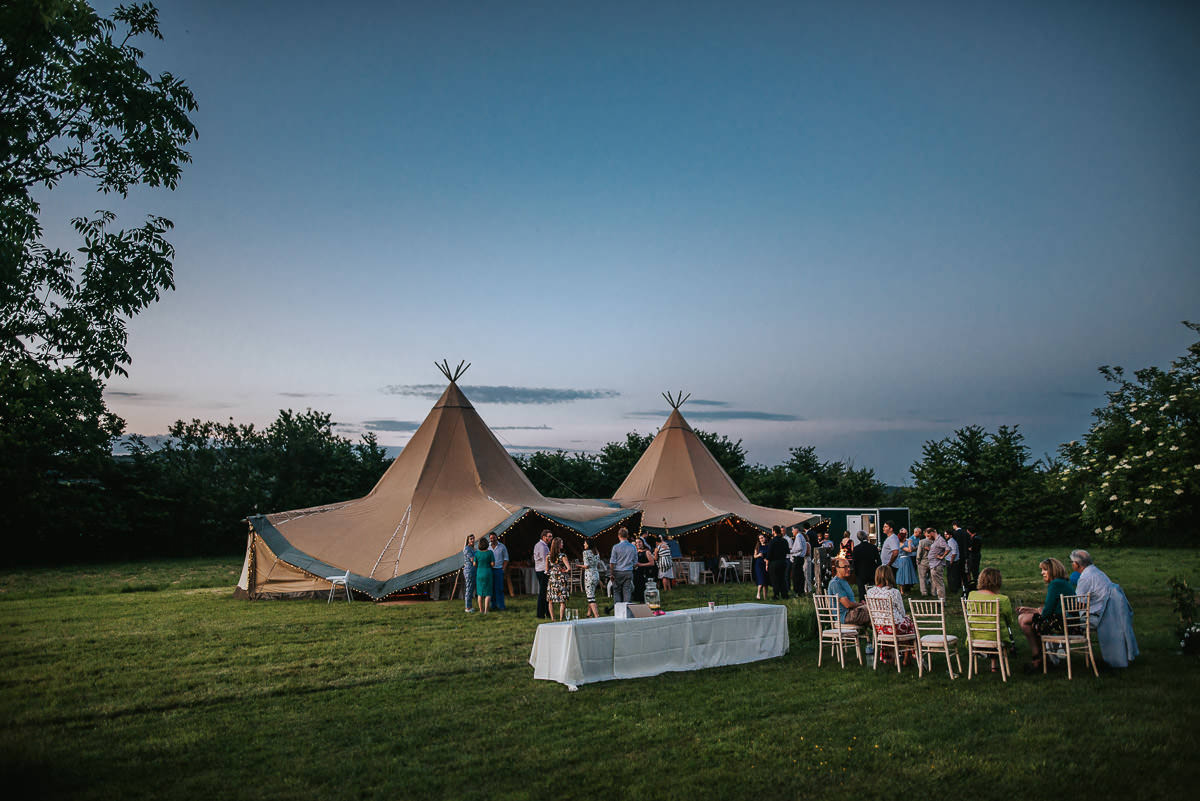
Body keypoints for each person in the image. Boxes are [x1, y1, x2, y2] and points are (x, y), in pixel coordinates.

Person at [1071, 549, 1139, 669]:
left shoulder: (1085, 578)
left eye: (1072, 562)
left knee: (1065, 619)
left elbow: (1079, 604)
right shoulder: (1099, 573)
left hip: (1098, 617)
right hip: (1110, 613)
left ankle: (1059, 651)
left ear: (1076, 564)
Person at [1016, 557, 1073, 672]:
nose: (1042, 573)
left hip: (1060, 623)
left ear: (1053, 570)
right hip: (1067, 620)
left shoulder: (1055, 584)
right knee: (1025, 618)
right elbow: (1049, 608)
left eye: (1044, 570)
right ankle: (1041, 656)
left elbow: (1046, 613)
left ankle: (1038, 657)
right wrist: (1031, 609)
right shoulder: (1063, 583)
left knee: (1023, 619)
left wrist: (1033, 611)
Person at [966, 567, 1015, 672]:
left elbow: (969, 612)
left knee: (989, 628)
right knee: (996, 630)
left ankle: (993, 665)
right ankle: (995, 664)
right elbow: (1009, 621)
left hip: (975, 636)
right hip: (995, 637)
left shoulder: (971, 595)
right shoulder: (1003, 599)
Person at [866, 566, 916, 664]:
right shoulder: (894, 592)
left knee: (905, 624)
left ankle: (889, 656)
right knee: (910, 625)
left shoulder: (870, 592)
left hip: (879, 628)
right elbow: (902, 612)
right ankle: (907, 657)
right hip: (893, 627)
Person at [828, 557, 869, 629]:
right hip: (844, 616)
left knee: (874, 610)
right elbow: (847, 604)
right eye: (845, 567)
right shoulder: (835, 583)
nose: (849, 569)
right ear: (837, 568)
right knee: (872, 612)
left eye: (849, 566)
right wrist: (861, 604)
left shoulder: (844, 581)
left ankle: (881, 636)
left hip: (851, 613)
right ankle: (884, 635)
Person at [608, 528, 636, 604]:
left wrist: (611, 573)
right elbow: (635, 562)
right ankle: (626, 610)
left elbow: (612, 562)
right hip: (628, 571)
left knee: (616, 591)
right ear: (627, 536)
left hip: (617, 572)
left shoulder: (615, 547)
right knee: (627, 590)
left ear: (618, 536)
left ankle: (618, 610)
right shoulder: (633, 547)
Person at [851, 531, 880, 602]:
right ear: (866, 537)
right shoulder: (873, 547)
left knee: (862, 592)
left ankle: (863, 603)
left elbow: (854, 562)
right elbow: (879, 561)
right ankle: (874, 602)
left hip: (861, 572)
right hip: (872, 572)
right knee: (873, 590)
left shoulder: (856, 549)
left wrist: (855, 572)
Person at [545, 537, 570, 620]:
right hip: (561, 578)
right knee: (562, 600)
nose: (563, 544)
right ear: (558, 545)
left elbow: (546, 570)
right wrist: (565, 570)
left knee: (550, 600)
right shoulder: (563, 556)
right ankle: (560, 618)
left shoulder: (548, 556)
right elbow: (568, 568)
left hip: (552, 579)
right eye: (561, 543)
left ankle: (553, 618)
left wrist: (552, 571)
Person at [926, 528, 951, 601]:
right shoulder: (936, 540)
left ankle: (942, 601)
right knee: (937, 584)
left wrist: (942, 556)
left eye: (928, 535)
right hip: (934, 565)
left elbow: (948, 548)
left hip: (937, 565)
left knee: (939, 584)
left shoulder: (940, 539)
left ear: (931, 533)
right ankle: (940, 600)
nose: (928, 537)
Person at [767, 526, 790, 599]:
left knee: (775, 579)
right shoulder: (784, 541)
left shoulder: (772, 541)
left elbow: (769, 553)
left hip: (774, 562)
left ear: (774, 531)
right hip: (783, 561)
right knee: (782, 578)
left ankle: (776, 594)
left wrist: (767, 561)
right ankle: (784, 594)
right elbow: (787, 551)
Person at [533, 529, 552, 619]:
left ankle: (546, 612)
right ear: (544, 537)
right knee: (543, 593)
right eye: (549, 536)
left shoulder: (538, 545)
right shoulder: (543, 547)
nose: (551, 538)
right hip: (543, 571)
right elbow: (546, 561)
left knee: (544, 592)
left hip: (539, 570)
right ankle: (541, 614)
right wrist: (549, 571)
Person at [582, 539, 603, 618]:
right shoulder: (596, 553)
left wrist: (579, 566)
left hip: (589, 576)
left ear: (588, 544)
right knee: (592, 594)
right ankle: (589, 613)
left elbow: (586, 566)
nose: (584, 544)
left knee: (590, 597)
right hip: (596, 575)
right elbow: (598, 565)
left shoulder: (585, 553)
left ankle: (597, 616)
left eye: (585, 543)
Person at [894, 527, 919, 593]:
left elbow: (913, 549)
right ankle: (902, 590)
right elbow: (910, 550)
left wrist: (911, 545)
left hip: (907, 559)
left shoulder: (906, 541)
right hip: (903, 559)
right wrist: (909, 543)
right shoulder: (900, 543)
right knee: (902, 574)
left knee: (907, 574)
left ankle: (907, 588)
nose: (906, 537)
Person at [633, 536, 657, 603]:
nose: (638, 544)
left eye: (639, 542)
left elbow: (652, 563)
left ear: (643, 543)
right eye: (636, 543)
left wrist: (641, 564)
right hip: (637, 573)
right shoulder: (636, 552)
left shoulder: (647, 552)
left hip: (645, 572)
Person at [474, 536, 494, 614]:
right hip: (488, 572)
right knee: (488, 593)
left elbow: (474, 564)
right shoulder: (490, 553)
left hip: (479, 573)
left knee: (480, 593)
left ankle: (481, 610)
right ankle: (486, 610)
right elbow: (493, 564)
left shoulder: (477, 553)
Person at [947, 521, 969, 594]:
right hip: (964, 554)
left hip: (956, 554)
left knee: (956, 571)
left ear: (954, 525)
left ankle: (957, 585)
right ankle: (966, 584)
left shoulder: (955, 534)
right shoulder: (965, 532)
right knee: (964, 571)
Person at [489, 532, 508, 611]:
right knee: (491, 588)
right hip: (490, 570)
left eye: (494, 538)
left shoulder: (502, 546)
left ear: (497, 537)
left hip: (499, 569)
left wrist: (503, 569)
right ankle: (493, 605)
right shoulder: (487, 547)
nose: (492, 539)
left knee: (499, 588)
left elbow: (506, 559)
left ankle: (501, 606)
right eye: (491, 538)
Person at [789, 524, 808, 595]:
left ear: (796, 529)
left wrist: (791, 551)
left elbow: (799, 547)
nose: (792, 531)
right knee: (800, 575)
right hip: (800, 558)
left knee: (796, 575)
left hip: (798, 558)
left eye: (792, 530)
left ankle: (797, 591)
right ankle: (800, 591)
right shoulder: (800, 536)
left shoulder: (798, 536)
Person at [462, 534, 477, 613]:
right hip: (469, 570)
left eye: (473, 538)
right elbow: (473, 559)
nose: (473, 540)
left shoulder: (474, 548)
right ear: (468, 540)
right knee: (469, 588)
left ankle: (470, 606)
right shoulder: (467, 549)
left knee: (471, 589)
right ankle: (467, 607)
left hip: (474, 569)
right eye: (471, 539)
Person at [916, 527, 933, 596]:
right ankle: (933, 591)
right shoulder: (934, 541)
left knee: (922, 578)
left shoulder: (922, 542)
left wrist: (918, 559)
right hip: (932, 562)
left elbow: (919, 552)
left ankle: (924, 592)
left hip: (923, 561)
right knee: (933, 578)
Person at [752, 533, 769, 600]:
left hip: (766, 564)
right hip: (759, 564)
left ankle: (765, 597)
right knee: (761, 580)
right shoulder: (758, 546)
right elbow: (754, 556)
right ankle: (758, 593)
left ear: (765, 538)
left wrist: (767, 560)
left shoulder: (768, 546)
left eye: (762, 538)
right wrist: (758, 555)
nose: (761, 539)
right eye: (760, 538)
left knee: (766, 582)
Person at [967, 527, 983, 591]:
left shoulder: (976, 539)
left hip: (974, 556)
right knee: (974, 570)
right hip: (975, 555)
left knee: (974, 570)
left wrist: (969, 548)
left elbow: (973, 548)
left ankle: (977, 583)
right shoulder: (976, 537)